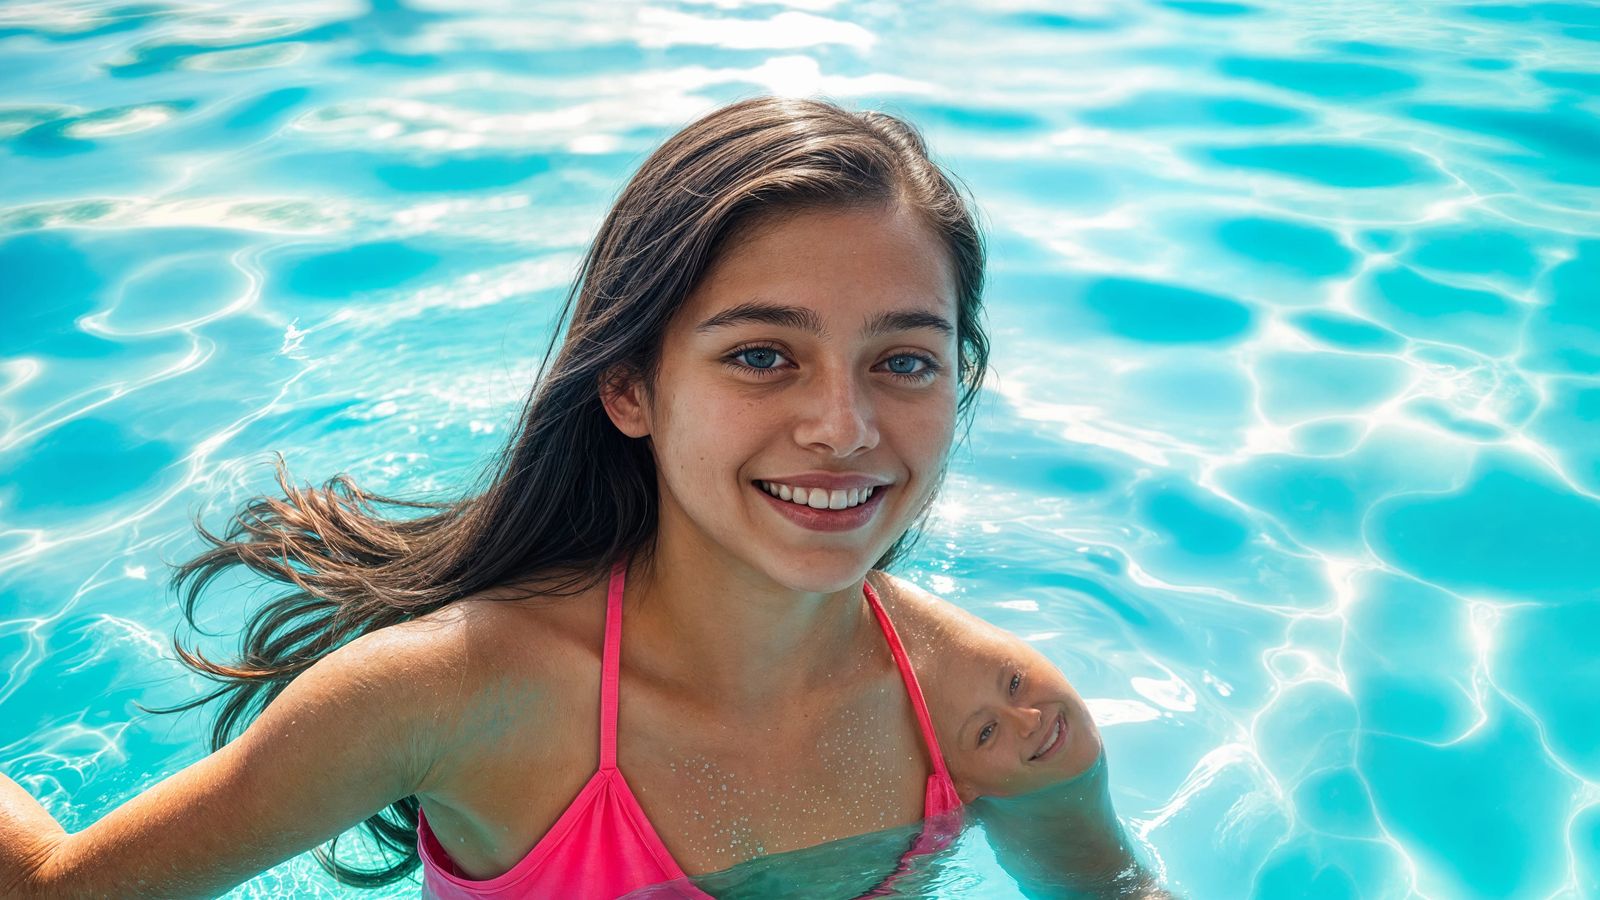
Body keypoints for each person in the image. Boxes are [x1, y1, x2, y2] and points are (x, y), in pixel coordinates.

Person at [0, 94, 1161, 899]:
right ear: (628, 387)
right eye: (762, 355)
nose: (843, 428)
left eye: (903, 361)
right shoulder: (448, 697)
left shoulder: (993, 721)